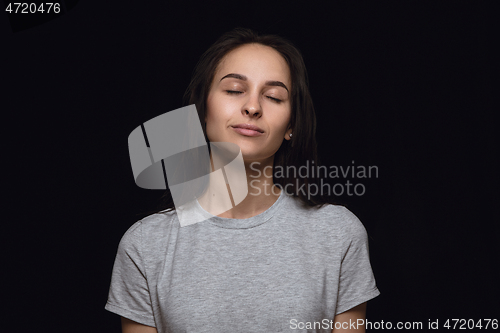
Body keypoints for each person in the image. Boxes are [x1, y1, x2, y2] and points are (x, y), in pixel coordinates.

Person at [105, 27, 380, 333]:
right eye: (234, 90)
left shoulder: (338, 234)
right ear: (202, 111)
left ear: (292, 126)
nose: (252, 107)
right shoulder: (145, 244)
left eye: (274, 96)